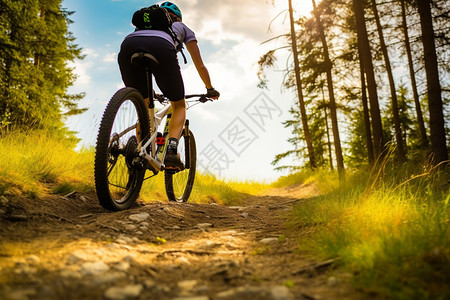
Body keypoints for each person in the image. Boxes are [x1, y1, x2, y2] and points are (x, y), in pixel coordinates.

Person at [118, 1, 220, 170]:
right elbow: (200, 66)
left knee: (144, 107)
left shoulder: (143, 26)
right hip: (161, 47)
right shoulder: (182, 27)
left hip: (128, 45)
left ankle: (139, 151)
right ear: (177, 18)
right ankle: (171, 152)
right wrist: (209, 88)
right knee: (179, 105)